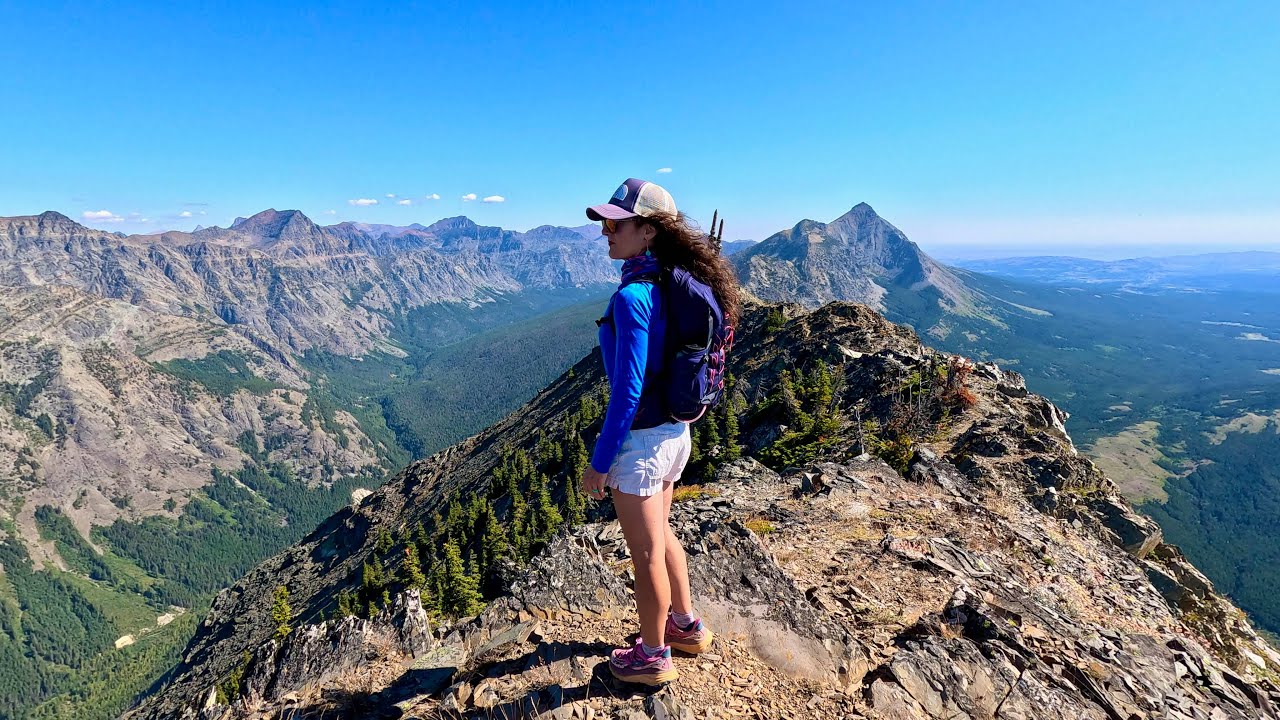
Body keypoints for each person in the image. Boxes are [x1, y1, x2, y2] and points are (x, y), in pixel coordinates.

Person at [579, 178, 741, 685]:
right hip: (675, 435)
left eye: (615, 223)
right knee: (662, 533)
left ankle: (652, 657)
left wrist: (600, 463)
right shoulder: (672, 283)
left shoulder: (633, 297)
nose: (606, 232)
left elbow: (626, 394)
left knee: (644, 552)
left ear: (647, 230)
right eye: (605, 222)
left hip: (642, 442)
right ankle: (684, 626)